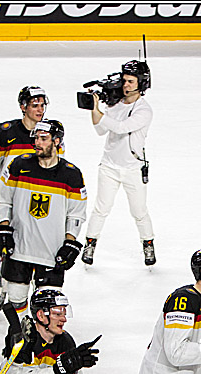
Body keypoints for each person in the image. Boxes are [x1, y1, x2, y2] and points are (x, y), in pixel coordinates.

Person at [0, 119, 86, 322]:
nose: (37, 143)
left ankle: (40, 343)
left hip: (51, 252)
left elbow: (76, 214)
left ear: (57, 141)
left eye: (44, 139)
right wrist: (3, 228)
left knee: (48, 304)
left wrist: (70, 242)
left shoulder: (72, 175)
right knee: (16, 297)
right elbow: (2, 199)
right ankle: (17, 335)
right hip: (19, 248)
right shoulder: (19, 165)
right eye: (36, 138)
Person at [82, 60, 155, 267]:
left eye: (131, 81)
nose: (126, 85)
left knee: (139, 211)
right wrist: (95, 108)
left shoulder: (144, 110)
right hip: (109, 167)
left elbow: (122, 127)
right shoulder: (114, 105)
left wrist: (101, 112)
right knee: (101, 209)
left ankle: (147, 243)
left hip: (133, 168)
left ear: (142, 83)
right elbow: (100, 129)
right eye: (124, 81)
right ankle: (90, 243)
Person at [0, 86, 49, 216]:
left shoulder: (50, 133)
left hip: (38, 199)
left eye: (42, 105)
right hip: (7, 198)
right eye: (35, 105)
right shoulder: (6, 132)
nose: (40, 110)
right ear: (23, 107)